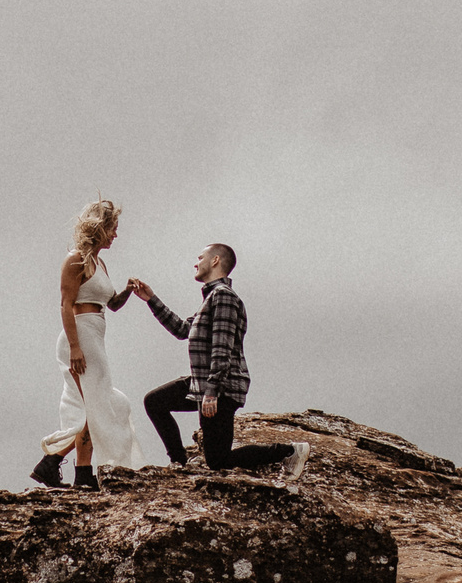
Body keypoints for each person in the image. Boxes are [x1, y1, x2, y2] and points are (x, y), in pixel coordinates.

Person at [131, 244, 310, 476]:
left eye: (200, 257)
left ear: (215, 260)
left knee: (218, 460)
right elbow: (182, 329)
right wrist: (151, 299)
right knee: (155, 402)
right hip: (203, 382)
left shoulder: (224, 297)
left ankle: (289, 452)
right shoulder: (211, 298)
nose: (196, 263)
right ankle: (179, 462)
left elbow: (222, 346)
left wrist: (212, 391)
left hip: (222, 386)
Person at [32, 199, 148, 490]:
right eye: (113, 228)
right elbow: (65, 304)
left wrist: (128, 291)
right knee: (98, 407)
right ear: (99, 228)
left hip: (96, 335)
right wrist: (74, 347)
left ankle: (78, 473)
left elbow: (112, 305)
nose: (116, 235)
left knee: (97, 405)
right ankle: (56, 463)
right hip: (80, 336)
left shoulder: (101, 263)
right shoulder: (75, 260)